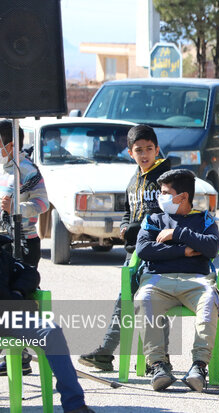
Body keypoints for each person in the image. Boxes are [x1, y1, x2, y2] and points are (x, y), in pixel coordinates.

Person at [0, 194, 94, 413]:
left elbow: (28, 273)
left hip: (8, 312)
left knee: (51, 331)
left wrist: (16, 291)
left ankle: (75, 404)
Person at [79, 125, 171, 372]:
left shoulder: (165, 178)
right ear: (130, 152)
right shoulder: (134, 179)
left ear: (157, 149)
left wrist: (136, 228)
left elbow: (166, 215)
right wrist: (123, 225)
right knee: (126, 300)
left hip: (157, 251)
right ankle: (109, 352)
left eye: (149, 149)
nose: (144, 154)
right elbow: (128, 209)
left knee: (154, 301)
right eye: (138, 150)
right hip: (133, 252)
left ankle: (160, 358)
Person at [134, 169, 219, 392]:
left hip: (197, 282)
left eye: (165, 193)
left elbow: (211, 247)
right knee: (143, 298)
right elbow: (144, 249)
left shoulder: (204, 219)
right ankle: (158, 365)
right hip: (157, 280)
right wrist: (183, 251)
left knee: (211, 299)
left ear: (182, 197)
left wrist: (177, 233)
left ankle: (198, 367)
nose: (160, 198)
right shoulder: (153, 219)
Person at [0, 120, 50, 376]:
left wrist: (18, 210)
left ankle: (21, 355)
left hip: (23, 243)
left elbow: (43, 203)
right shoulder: (2, 170)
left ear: (11, 145)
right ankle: (15, 353)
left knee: (19, 296)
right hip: (0, 241)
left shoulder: (26, 169)